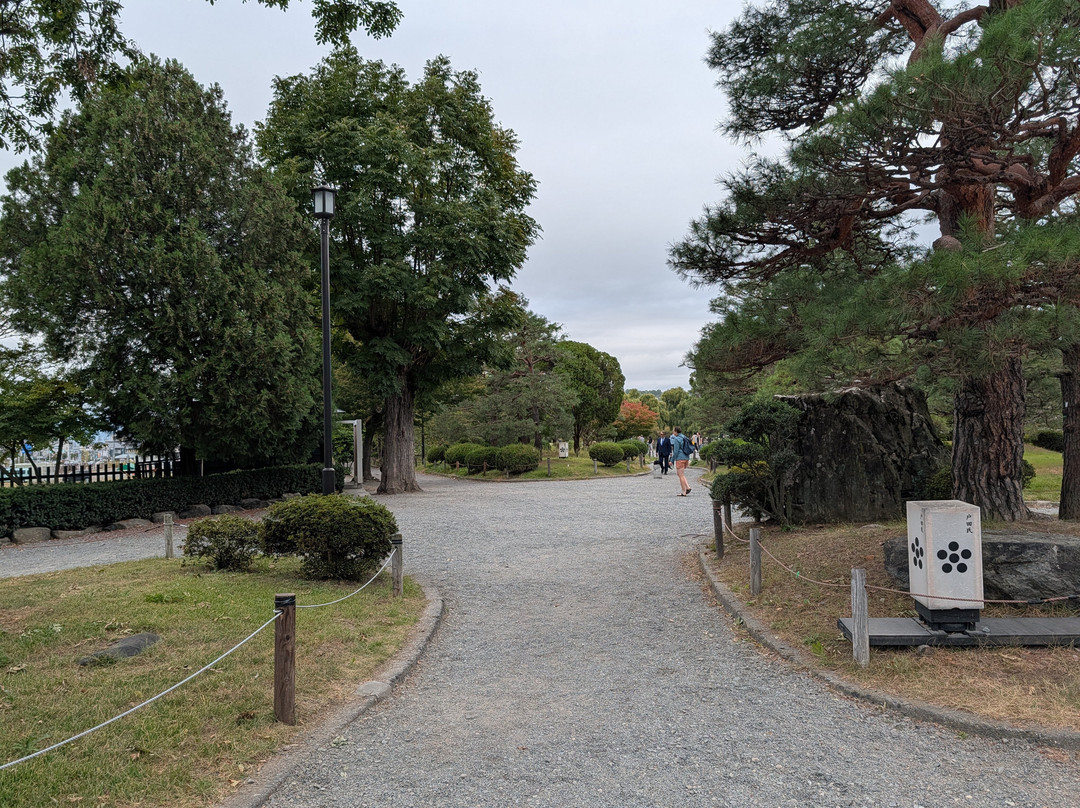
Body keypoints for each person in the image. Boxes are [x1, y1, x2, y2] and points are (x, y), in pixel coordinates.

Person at [671, 426, 694, 496]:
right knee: (681, 474)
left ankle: (684, 491)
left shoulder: (676, 439)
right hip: (686, 457)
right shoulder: (684, 437)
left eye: (673, 431)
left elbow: (675, 451)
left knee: (680, 475)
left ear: (675, 431)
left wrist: (671, 460)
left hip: (680, 458)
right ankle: (687, 487)